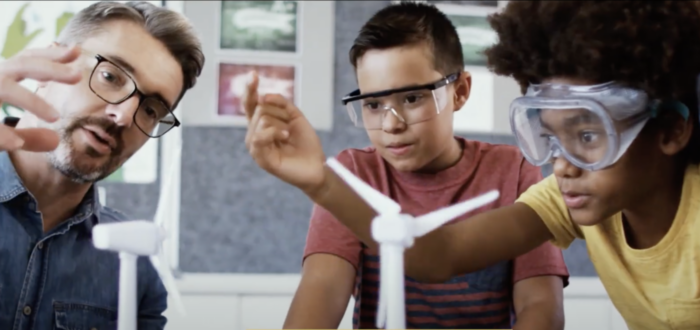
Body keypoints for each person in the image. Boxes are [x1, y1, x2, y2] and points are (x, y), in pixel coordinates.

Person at [243, 1, 700, 330]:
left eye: (586, 136)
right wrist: (320, 182)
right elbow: (435, 255)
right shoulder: (569, 196)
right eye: (552, 138)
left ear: (669, 130)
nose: (562, 166)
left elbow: (542, 310)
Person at [0, 1, 203, 329]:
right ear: (46, 66)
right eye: (110, 76)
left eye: (151, 110)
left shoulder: (133, 270)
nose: (123, 115)